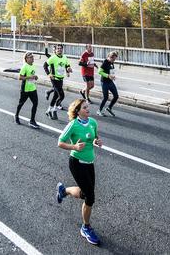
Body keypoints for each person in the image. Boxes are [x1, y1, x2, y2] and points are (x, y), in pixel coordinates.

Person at [56, 99, 103, 246]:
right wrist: (74, 147)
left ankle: (65, 191)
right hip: (76, 164)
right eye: (85, 107)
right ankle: (86, 227)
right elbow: (60, 142)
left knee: (85, 194)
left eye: (88, 107)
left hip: (89, 163)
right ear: (78, 111)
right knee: (90, 197)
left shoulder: (93, 122)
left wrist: (97, 142)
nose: (88, 109)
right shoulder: (73, 125)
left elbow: (95, 137)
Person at [43, 44, 72, 120]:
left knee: (55, 96)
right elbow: (45, 65)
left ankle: (48, 110)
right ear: (55, 50)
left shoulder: (65, 57)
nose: (59, 50)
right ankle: (54, 110)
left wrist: (68, 69)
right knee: (62, 95)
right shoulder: (53, 58)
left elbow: (67, 65)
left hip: (61, 79)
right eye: (58, 49)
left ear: (62, 50)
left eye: (60, 48)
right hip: (54, 79)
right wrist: (49, 74)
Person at [16, 52, 40, 128]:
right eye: (30, 57)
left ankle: (32, 121)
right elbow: (20, 77)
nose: (32, 58)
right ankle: (16, 115)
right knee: (21, 103)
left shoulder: (33, 66)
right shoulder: (24, 67)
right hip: (25, 89)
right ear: (26, 59)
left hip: (33, 88)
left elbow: (33, 76)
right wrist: (29, 77)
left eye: (33, 57)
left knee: (35, 104)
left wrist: (35, 77)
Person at [97, 51, 119, 117]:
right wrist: (108, 75)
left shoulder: (112, 63)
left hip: (110, 82)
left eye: (115, 59)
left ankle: (109, 108)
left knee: (116, 96)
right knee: (106, 97)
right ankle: (99, 111)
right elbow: (99, 71)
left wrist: (113, 76)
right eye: (114, 59)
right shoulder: (105, 62)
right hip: (104, 82)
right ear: (110, 57)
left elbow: (111, 71)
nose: (114, 60)